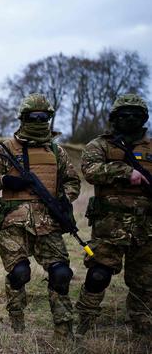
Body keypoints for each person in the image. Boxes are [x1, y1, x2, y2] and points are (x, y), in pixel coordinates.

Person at [0, 93, 80, 339]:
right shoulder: (6, 149)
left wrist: (65, 198)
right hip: (13, 223)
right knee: (19, 273)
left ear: (49, 118)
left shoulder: (57, 151)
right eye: (33, 117)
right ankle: (16, 324)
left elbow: (72, 181)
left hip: (49, 223)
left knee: (61, 274)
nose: (38, 120)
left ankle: (63, 330)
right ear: (23, 118)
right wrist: (8, 180)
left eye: (43, 117)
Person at [76, 93, 152, 337]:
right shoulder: (100, 145)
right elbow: (90, 170)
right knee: (98, 275)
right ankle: (84, 321)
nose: (129, 119)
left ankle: (143, 323)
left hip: (146, 226)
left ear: (144, 118)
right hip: (109, 225)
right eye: (124, 114)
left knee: (145, 280)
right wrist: (124, 172)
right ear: (114, 118)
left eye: (135, 115)